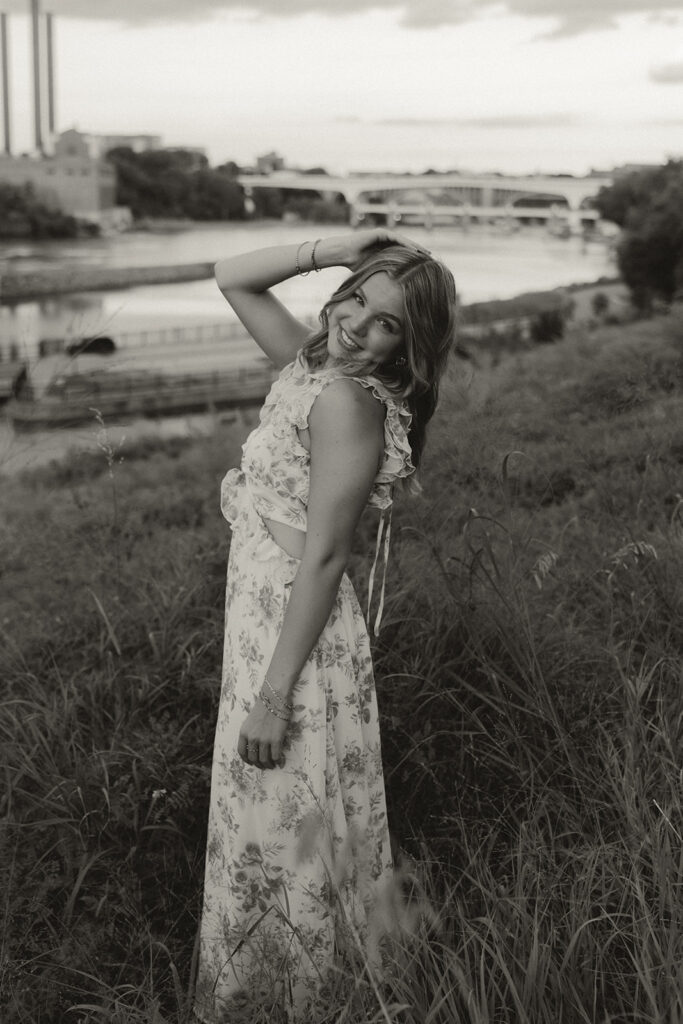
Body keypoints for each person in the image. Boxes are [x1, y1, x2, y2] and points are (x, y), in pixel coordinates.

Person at [194, 230, 457, 1022]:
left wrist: (274, 694)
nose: (355, 324)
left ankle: (293, 998)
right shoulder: (315, 366)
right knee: (273, 818)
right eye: (357, 300)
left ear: (407, 346)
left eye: (385, 324)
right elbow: (231, 278)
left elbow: (326, 557)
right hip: (264, 621)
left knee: (281, 814)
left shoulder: (346, 402)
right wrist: (341, 248)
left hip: (294, 639)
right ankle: (287, 990)